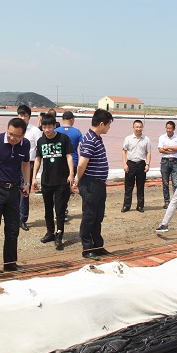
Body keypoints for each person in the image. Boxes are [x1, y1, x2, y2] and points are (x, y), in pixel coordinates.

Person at [0, 117, 31, 275]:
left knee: (13, 229)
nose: (12, 138)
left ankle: (10, 264)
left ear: (23, 135)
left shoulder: (25, 144)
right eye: (10, 134)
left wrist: (26, 184)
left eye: (17, 136)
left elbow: (25, 164)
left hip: (14, 191)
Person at [73, 109, 113, 260]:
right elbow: (82, 164)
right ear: (101, 124)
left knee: (98, 216)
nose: (109, 128)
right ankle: (87, 248)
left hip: (99, 184)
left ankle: (98, 246)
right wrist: (77, 180)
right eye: (108, 125)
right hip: (91, 183)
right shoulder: (90, 139)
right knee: (89, 216)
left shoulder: (97, 138)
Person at [32, 114, 74, 250]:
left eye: (49, 127)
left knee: (60, 209)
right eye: (44, 127)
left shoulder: (63, 138)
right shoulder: (41, 141)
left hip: (62, 180)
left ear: (54, 126)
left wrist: (71, 174)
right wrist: (34, 177)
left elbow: (69, 156)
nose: (47, 130)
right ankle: (50, 232)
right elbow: (38, 159)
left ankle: (59, 234)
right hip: (46, 180)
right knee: (48, 208)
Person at [17, 105, 42, 230]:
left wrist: (37, 172)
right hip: (15, 163)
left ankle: (22, 218)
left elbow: (40, 150)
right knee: (14, 190)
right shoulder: (14, 128)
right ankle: (13, 216)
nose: (22, 118)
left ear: (29, 117)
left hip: (29, 164)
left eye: (25, 116)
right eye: (20, 115)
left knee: (24, 190)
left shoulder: (34, 131)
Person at [55, 111, 83, 223]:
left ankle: (59, 211)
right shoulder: (77, 132)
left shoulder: (56, 131)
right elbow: (82, 147)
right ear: (72, 120)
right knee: (67, 188)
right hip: (73, 162)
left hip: (58, 163)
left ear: (63, 119)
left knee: (57, 188)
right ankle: (64, 210)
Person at [121, 119, 152, 213]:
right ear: (133, 128)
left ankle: (140, 206)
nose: (138, 129)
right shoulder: (128, 138)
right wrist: (124, 164)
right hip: (130, 164)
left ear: (142, 127)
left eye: (140, 127)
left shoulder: (146, 139)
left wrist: (147, 164)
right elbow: (124, 151)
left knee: (140, 186)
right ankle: (126, 206)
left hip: (141, 164)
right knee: (128, 186)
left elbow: (149, 152)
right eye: (137, 127)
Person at [157, 121, 177, 211]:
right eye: (167, 128)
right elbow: (160, 150)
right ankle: (167, 201)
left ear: (174, 129)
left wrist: (167, 147)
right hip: (165, 161)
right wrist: (172, 151)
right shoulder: (162, 137)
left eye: (170, 128)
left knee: (176, 183)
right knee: (165, 183)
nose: (168, 130)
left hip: (174, 161)